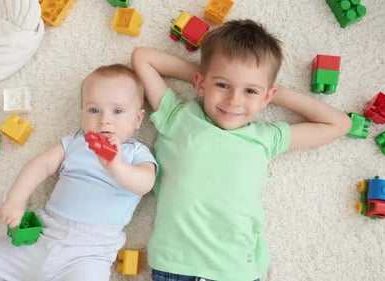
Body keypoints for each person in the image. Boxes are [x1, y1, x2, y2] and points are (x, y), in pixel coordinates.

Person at [131, 19, 352, 281]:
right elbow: (142, 57)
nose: (234, 101)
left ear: (267, 96)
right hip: (176, 265)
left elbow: (339, 124)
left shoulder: (266, 138)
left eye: (249, 90)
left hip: (236, 269)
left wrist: (269, 94)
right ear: (200, 83)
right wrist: (209, 76)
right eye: (222, 85)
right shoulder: (178, 117)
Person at [0, 64, 157, 281]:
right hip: (44, 235)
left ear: (138, 119)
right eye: (93, 110)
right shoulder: (75, 142)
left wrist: (117, 166)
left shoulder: (136, 152)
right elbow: (40, 165)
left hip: (89, 252)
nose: (104, 120)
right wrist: (16, 199)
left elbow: (146, 183)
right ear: (82, 113)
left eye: (117, 111)